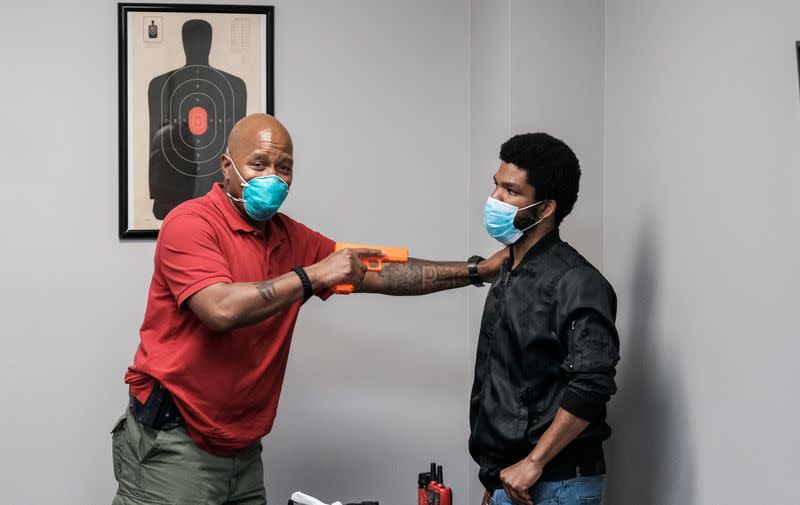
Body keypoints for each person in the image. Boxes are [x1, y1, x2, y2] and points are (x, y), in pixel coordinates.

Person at [111, 113, 507, 505]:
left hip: (242, 447)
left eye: (284, 168)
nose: (273, 177)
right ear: (226, 167)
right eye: (259, 164)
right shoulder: (190, 223)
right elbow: (220, 308)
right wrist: (312, 276)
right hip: (174, 439)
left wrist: (476, 270)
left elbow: (381, 273)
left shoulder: (289, 236)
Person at [471, 133, 620, 505]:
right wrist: (495, 480)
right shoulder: (508, 271)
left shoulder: (577, 281)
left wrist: (533, 463)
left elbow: (592, 382)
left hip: (554, 486)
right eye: (496, 185)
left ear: (544, 208)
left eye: (511, 191)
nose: (495, 199)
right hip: (510, 482)